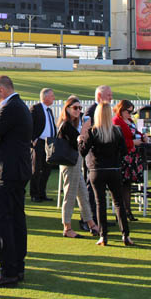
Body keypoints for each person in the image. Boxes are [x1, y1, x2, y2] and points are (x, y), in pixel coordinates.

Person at [0, 75, 32, 288]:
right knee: (17, 220)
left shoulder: (9, 107)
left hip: (8, 172)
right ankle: (17, 267)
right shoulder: (21, 106)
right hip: (18, 170)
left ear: (1, 90)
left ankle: (8, 271)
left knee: (4, 222)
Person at [78, 102, 133, 247]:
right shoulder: (117, 131)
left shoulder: (93, 132)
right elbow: (124, 151)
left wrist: (80, 140)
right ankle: (125, 235)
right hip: (114, 169)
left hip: (97, 170)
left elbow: (83, 152)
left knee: (100, 203)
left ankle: (103, 236)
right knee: (118, 203)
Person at [56, 95, 98, 238]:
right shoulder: (66, 125)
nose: (78, 111)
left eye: (80, 108)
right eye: (75, 108)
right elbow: (77, 143)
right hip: (70, 163)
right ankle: (67, 227)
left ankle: (91, 223)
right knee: (70, 195)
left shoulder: (73, 124)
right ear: (67, 109)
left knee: (83, 194)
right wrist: (84, 130)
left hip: (75, 162)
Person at [81, 85, 114, 230]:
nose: (111, 97)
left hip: (102, 158)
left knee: (100, 192)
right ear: (99, 96)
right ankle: (88, 220)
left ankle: (100, 219)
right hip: (92, 158)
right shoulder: (91, 111)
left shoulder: (105, 111)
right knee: (90, 189)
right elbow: (86, 133)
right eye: (108, 95)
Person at [112, 99, 146, 222]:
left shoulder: (130, 120)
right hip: (123, 156)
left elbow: (135, 132)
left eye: (132, 112)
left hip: (132, 155)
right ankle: (121, 212)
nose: (130, 114)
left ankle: (128, 210)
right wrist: (132, 142)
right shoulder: (116, 121)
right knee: (121, 185)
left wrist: (143, 137)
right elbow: (117, 140)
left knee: (128, 185)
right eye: (128, 111)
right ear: (121, 110)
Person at [29, 88, 57, 202]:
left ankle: (42, 193)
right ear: (45, 97)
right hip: (39, 142)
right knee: (36, 169)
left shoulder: (49, 111)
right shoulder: (36, 108)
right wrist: (33, 139)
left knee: (47, 169)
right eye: (52, 96)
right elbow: (29, 124)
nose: (53, 98)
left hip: (49, 143)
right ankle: (34, 194)